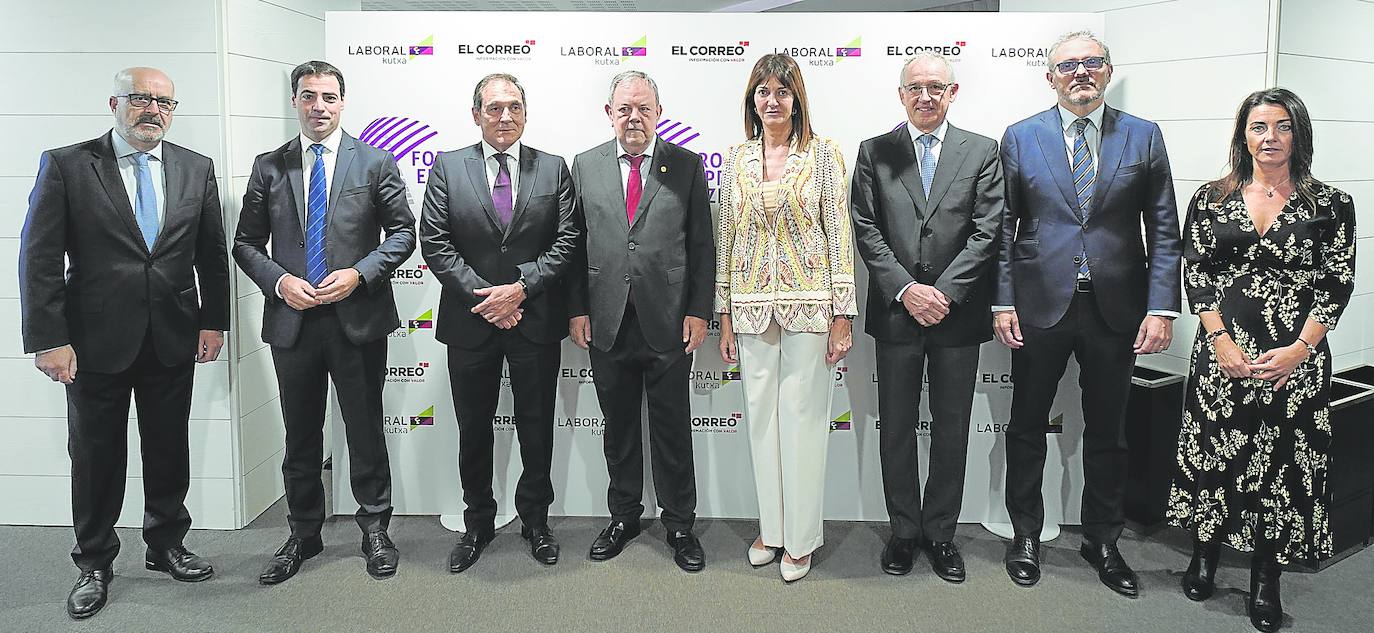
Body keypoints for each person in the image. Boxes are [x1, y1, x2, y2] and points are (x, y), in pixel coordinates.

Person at [19, 66, 230, 619]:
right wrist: (48, 338)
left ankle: (165, 544)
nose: (152, 110)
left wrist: (214, 322)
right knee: (95, 456)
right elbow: (39, 257)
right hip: (93, 341)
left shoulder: (195, 167)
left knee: (168, 448)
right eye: (141, 99)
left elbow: (211, 253)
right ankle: (94, 560)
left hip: (173, 335)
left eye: (164, 102)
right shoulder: (68, 164)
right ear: (114, 101)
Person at [993, 31, 1182, 596]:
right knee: (1028, 425)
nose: (1080, 73)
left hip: (1116, 308)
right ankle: (1026, 532)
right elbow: (1003, 228)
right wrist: (1002, 299)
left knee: (1109, 431)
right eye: (1067, 65)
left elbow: (1165, 230)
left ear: (1107, 71)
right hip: (1038, 304)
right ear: (1049, 76)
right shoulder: (1021, 137)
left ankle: (1103, 539)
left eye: (1091, 63)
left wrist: (1162, 308)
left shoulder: (1143, 136)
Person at [1166, 88, 1355, 633]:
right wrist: (1220, 341)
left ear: (1299, 134)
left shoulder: (1331, 204)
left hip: (1294, 361)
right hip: (1222, 355)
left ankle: (1266, 575)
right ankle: (1205, 553)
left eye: (1281, 126)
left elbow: (1336, 282)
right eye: (1257, 127)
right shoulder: (1211, 198)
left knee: (1280, 469)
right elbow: (1196, 273)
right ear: (1242, 135)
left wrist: (1299, 350)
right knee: (1213, 457)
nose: (1268, 137)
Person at [233, 60, 416, 584]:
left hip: (355, 319)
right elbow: (245, 243)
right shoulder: (269, 166)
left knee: (363, 427)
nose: (319, 106)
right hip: (293, 318)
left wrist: (360, 274)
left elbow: (403, 234)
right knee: (301, 433)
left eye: (329, 97)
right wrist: (278, 282)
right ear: (295, 101)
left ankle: (375, 527)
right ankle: (304, 532)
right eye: (309, 96)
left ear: (342, 102)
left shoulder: (375, 163)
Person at [850, 52, 1004, 582]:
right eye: (915, 87)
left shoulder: (982, 151)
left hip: (957, 317)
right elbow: (865, 227)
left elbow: (988, 229)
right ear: (901, 94)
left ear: (953, 91)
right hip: (897, 314)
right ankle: (904, 531)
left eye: (936, 87)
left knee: (952, 428)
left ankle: (940, 534)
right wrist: (907, 289)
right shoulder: (875, 152)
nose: (925, 96)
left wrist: (944, 292)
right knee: (894, 427)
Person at [419, 73, 578, 572]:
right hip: (471, 322)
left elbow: (568, 239)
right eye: (494, 108)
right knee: (473, 427)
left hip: (533, 320)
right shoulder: (447, 167)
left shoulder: (553, 169)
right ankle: (478, 523)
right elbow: (435, 241)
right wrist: (487, 297)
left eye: (513, 107)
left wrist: (521, 290)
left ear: (526, 113)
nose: (504, 116)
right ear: (476, 115)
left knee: (536, 425)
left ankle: (536, 521)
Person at [715, 53, 855, 582]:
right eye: (762, 92)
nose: (772, 101)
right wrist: (725, 313)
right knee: (760, 422)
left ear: (798, 100)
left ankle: (800, 538)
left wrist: (843, 313)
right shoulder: (736, 158)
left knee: (802, 421)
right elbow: (727, 238)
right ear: (752, 100)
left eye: (782, 91)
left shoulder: (823, 156)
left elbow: (839, 235)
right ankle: (770, 530)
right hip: (751, 308)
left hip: (811, 305)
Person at [567, 70, 713, 573]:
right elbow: (572, 245)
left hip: (669, 322)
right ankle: (624, 516)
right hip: (606, 321)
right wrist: (577, 309)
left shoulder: (686, 166)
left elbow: (701, 246)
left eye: (644, 108)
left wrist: (699, 310)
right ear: (609, 113)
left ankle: (679, 524)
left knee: (672, 428)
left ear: (658, 113)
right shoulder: (584, 166)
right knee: (620, 429)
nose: (634, 117)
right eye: (625, 108)